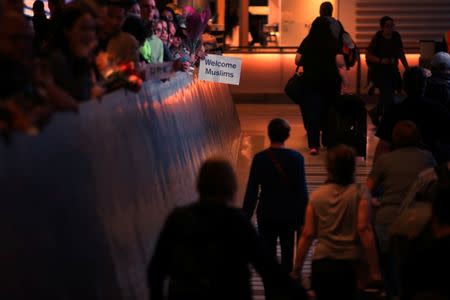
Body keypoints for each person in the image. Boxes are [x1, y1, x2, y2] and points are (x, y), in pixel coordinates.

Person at [148, 158, 306, 300]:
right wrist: (301, 293)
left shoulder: (178, 219)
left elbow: (156, 269)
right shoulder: (238, 222)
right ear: (230, 186)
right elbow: (268, 267)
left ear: (200, 184)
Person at [293, 145, 381, 300]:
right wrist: (374, 269)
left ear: (329, 168)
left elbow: (307, 234)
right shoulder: (360, 194)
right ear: (352, 168)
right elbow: (364, 229)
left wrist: (297, 269)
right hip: (352, 263)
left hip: (322, 263)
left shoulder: (316, 196)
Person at [367, 120, 436, 298]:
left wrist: (374, 201)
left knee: (388, 259)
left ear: (395, 138)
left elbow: (367, 189)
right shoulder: (427, 157)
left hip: (388, 216)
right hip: (417, 216)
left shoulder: (384, 160)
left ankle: (392, 292)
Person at [242, 119, 309, 281]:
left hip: (266, 214)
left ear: (269, 134)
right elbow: (302, 190)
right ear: (287, 135)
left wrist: (244, 218)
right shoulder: (297, 158)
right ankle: (286, 287)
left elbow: (252, 190)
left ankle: (270, 291)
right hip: (289, 215)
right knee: (287, 255)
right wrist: (305, 218)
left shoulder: (259, 159)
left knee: (268, 258)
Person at [374, 67, 450, 162]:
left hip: (400, 163)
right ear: (424, 85)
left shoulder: (394, 111)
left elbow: (383, 146)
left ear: (404, 86)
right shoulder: (438, 110)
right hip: (432, 165)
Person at [295, 17, 345, 155]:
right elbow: (340, 62)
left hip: (311, 82)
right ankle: (329, 143)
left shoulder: (308, 41)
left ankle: (314, 146)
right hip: (331, 82)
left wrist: (310, 60)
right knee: (330, 112)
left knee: (313, 113)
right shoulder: (333, 42)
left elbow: (297, 60)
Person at [366, 16, 409, 126]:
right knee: (388, 96)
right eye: (387, 26)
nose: (390, 28)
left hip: (393, 70)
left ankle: (375, 113)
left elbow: (400, 53)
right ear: (382, 27)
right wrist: (380, 60)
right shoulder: (378, 38)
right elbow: (368, 55)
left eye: (392, 25)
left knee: (386, 96)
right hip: (379, 71)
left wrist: (407, 68)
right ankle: (389, 122)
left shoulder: (396, 36)